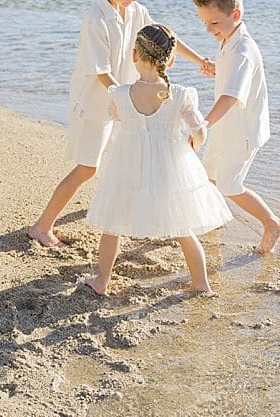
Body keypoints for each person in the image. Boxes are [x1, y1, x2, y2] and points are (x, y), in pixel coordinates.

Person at [28, 0, 210, 247]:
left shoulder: (136, 10)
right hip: (99, 104)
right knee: (88, 166)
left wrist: (200, 60)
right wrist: (125, 98)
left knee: (125, 160)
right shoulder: (95, 20)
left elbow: (166, 39)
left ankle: (120, 214)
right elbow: (101, 71)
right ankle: (42, 226)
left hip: (125, 103)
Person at [82, 24, 231, 295]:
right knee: (183, 225)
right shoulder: (182, 95)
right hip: (169, 165)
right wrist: (193, 146)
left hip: (127, 162)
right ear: (171, 60)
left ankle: (101, 281)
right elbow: (200, 131)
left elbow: (117, 117)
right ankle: (201, 283)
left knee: (112, 223)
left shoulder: (119, 94)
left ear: (134, 56)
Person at [192, 0, 280, 253]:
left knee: (231, 185)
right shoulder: (229, 38)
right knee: (208, 174)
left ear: (236, 15)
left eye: (214, 23)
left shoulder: (243, 50)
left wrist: (203, 124)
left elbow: (233, 95)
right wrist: (217, 71)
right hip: (227, 126)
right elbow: (232, 80)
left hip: (243, 131)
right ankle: (212, 219)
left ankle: (272, 224)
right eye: (205, 23)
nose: (209, 29)